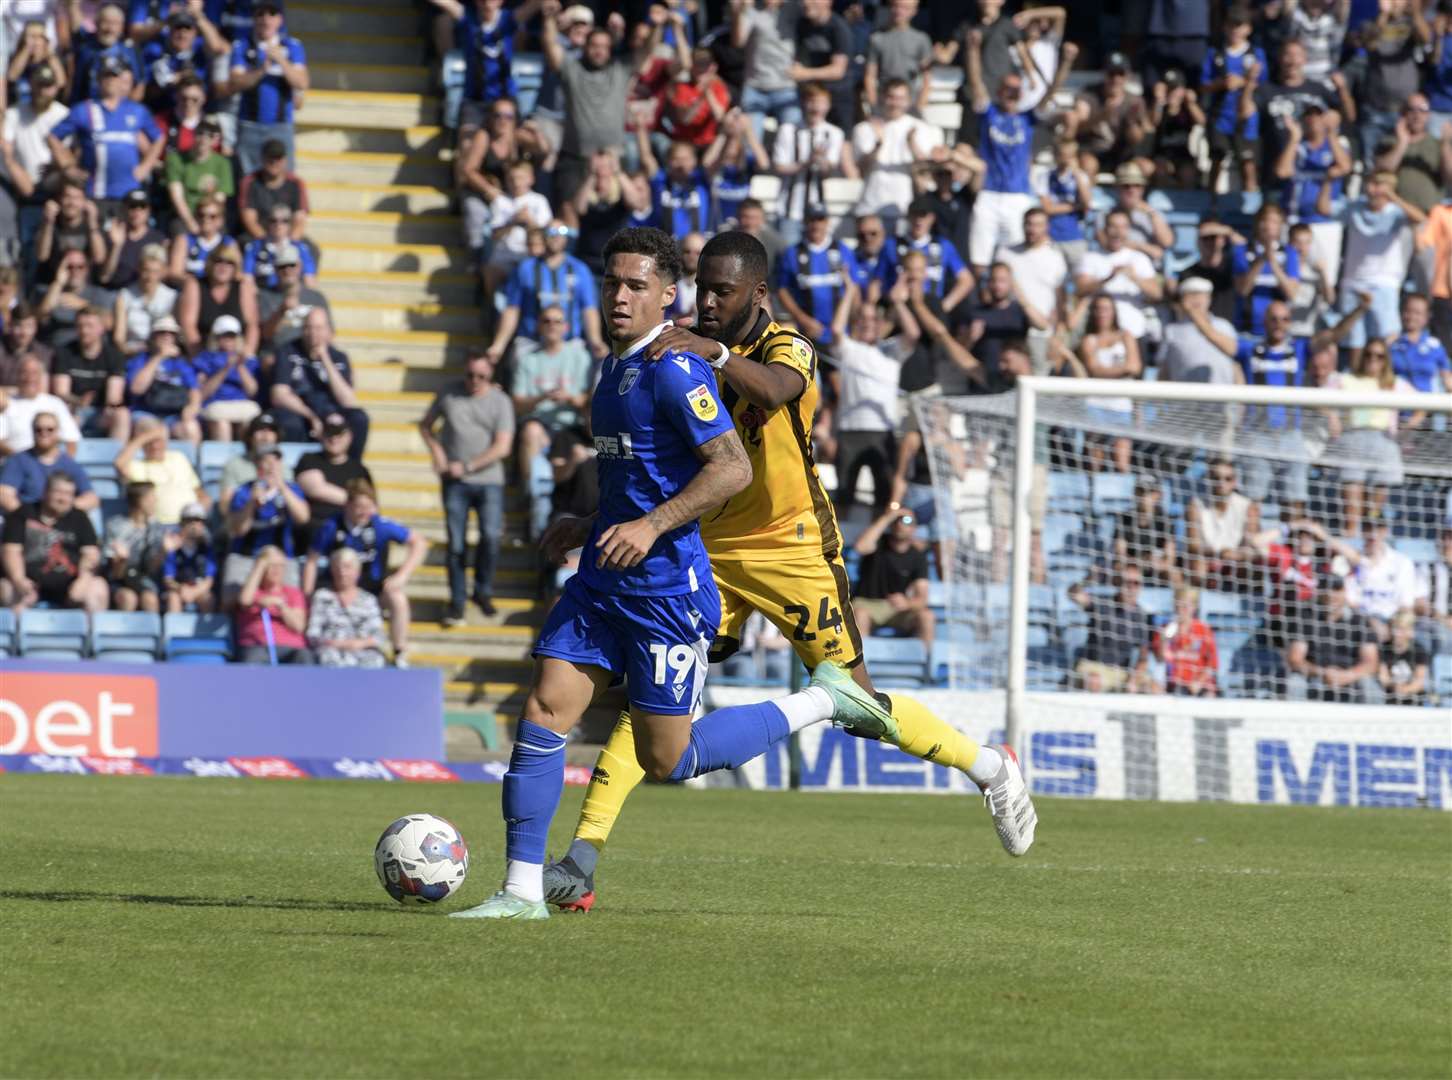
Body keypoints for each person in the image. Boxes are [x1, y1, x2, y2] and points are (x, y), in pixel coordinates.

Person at [537, 230, 1038, 916]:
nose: (709, 304)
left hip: (795, 549)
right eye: (703, 290)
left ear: (758, 295)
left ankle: (990, 768)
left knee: (860, 707)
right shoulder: (672, 350)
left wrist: (711, 351)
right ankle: (581, 860)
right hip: (707, 545)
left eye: (725, 293)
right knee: (661, 693)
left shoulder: (783, 343)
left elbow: (776, 391)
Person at [449, 226, 897, 922]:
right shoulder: (612, 366)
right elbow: (634, 479)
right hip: (603, 577)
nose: (620, 297)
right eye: (612, 283)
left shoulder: (677, 370)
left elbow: (732, 467)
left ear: (667, 295)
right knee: (542, 712)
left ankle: (824, 700)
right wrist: (588, 522)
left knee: (669, 760)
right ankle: (521, 892)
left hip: (665, 588)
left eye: (636, 286)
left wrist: (652, 527)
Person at [1233, 296, 1371, 514]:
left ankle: (1292, 543)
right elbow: (1217, 340)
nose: (1280, 324)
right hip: (1256, 435)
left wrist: (1359, 309)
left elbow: (1334, 335)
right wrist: (1193, 313)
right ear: (1265, 321)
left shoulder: (1299, 348)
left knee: (1296, 498)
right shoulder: (1249, 349)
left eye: (1285, 319)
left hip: (1290, 435)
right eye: (1274, 319)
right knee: (1253, 499)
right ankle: (1253, 546)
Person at [963, 34, 1075, 275]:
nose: (1012, 94)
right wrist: (973, 51)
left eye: (1017, 90)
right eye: (1008, 90)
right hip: (989, 193)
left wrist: (1065, 63)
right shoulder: (989, 113)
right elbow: (976, 83)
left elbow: (1051, 91)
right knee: (979, 259)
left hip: (1017, 195)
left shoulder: (1028, 118)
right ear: (1000, 91)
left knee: (1015, 258)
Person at [420, 349, 515, 623]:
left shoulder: (500, 401)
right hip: (454, 481)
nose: (475, 380)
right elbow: (426, 426)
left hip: (488, 480)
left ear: (490, 376)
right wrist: (437, 452)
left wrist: (469, 466)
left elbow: (503, 446)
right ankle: (457, 600)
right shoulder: (448, 393)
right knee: (456, 544)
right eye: (471, 375)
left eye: (482, 376)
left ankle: (482, 590)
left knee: (491, 537)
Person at [305, 480, 427, 667]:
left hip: (372, 588)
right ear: (348, 505)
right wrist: (306, 594)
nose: (365, 512)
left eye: (369, 507)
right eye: (360, 507)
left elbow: (419, 542)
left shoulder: (379, 525)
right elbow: (312, 560)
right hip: (339, 587)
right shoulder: (332, 526)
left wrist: (401, 576)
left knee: (398, 598)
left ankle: (399, 650)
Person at [539, 0, 638, 205]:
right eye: (594, 46)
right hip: (576, 157)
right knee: (569, 208)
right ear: (586, 46)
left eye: (604, 47)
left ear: (610, 49)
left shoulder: (619, 69)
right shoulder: (572, 67)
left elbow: (645, 53)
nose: (599, 51)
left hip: (615, 159)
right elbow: (551, 48)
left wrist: (656, 26)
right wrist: (549, 19)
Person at [828, 284, 917, 512]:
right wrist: (849, 293)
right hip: (850, 432)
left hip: (883, 433)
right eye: (862, 319)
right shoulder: (849, 350)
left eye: (873, 319)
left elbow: (913, 333)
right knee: (844, 495)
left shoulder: (892, 350)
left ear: (881, 324)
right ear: (856, 323)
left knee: (884, 496)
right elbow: (837, 330)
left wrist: (898, 303)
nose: (868, 323)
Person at [505, 312, 590, 542]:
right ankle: (531, 495)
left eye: (557, 321)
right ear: (539, 326)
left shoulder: (579, 356)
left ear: (566, 327)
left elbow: (588, 399)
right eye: (546, 321)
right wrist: (541, 398)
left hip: (571, 426)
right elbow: (517, 403)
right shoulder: (528, 359)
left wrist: (569, 398)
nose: (552, 326)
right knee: (531, 432)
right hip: (541, 425)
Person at [1335, 171, 1426, 370]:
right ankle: (1356, 382)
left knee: (1387, 337)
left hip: (1384, 283)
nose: (1373, 189)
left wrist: (1392, 196)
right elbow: (1324, 209)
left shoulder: (1395, 211)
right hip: (1353, 282)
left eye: (1378, 185)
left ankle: (1386, 378)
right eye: (1371, 184)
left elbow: (1420, 218)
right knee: (1354, 340)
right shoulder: (1355, 207)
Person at [48, 54, 164, 207]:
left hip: (128, 194)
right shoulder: (84, 110)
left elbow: (158, 138)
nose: (110, 81)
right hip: (95, 192)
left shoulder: (136, 111)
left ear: (121, 81)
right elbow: (53, 137)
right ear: (98, 80)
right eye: (105, 76)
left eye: (114, 76)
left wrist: (145, 167)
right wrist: (67, 167)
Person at [488, 219, 604, 363]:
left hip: (569, 344)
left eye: (561, 232)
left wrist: (595, 341)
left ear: (567, 238)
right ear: (543, 236)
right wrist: (499, 345)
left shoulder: (580, 269)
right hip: (531, 343)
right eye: (551, 232)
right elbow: (512, 309)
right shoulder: (525, 268)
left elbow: (589, 309)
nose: (556, 236)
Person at [1333, 341, 1415, 538]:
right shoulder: (1347, 379)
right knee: (1351, 515)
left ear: (1385, 360)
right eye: (1369, 354)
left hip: (1383, 442)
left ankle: (1371, 555)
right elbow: (1317, 399)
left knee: (1373, 514)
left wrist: (1407, 426)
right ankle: (1350, 555)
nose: (1373, 359)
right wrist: (1332, 417)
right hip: (1353, 441)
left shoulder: (1394, 384)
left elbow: (1424, 405)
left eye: (1379, 356)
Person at [0, 471, 107, 613]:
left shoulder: (79, 518)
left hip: (70, 585)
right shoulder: (22, 514)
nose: (64, 498)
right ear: (45, 492)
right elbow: (11, 551)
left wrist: (84, 580)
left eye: (69, 494)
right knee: (7, 589)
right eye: (59, 492)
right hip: (28, 582)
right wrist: (18, 579)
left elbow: (90, 553)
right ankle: (17, 634)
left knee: (98, 588)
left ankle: (90, 634)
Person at [851, 77, 943, 235]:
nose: (895, 103)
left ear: (909, 101)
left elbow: (927, 173)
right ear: (882, 98)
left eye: (900, 98)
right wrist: (878, 144)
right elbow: (861, 169)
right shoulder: (865, 128)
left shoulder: (922, 129)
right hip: (871, 207)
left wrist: (912, 144)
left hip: (904, 209)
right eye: (891, 97)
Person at [224, 0, 308, 174]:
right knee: (248, 180)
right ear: (254, 18)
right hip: (249, 125)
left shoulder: (292, 46)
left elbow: (302, 82)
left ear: (280, 20)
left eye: (271, 14)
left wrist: (282, 61)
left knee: (283, 179)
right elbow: (235, 82)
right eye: (260, 14)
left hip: (281, 125)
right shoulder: (242, 46)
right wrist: (262, 69)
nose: (266, 19)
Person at [269, 307, 367, 451]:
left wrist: (325, 358)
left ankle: (351, 467)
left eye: (319, 328)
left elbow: (348, 401)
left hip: (331, 411)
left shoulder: (339, 358)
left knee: (359, 419)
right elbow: (278, 394)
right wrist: (311, 416)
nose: (313, 333)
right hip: (300, 409)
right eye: (309, 327)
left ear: (328, 331)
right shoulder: (288, 351)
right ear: (303, 330)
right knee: (289, 423)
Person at [224, 443, 309, 599]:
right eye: (266, 460)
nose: (271, 465)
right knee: (230, 599)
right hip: (247, 556)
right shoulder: (244, 492)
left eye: (275, 460)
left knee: (293, 598)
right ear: (257, 464)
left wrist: (282, 488)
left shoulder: (292, 489)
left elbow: (303, 517)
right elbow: (238, 530)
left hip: (282, 558)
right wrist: (251, 504)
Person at [1073, 209, 1163, 352]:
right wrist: (1108, 278)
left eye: (1122, 227)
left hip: (1134, 331)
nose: (1117, 232)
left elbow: (1157, 294)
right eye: (1113, 226)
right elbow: (1080, 290)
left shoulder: (1139, 258)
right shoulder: (1090, 258)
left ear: (1128, 230)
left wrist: (1134, 278)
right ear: (1105, 229)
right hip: (1098, 335)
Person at [1285, 574, 1381, 703]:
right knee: (1294, 684)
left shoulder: (1360, 621)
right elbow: (1295, 660)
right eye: (1327, 589)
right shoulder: (1305, 618)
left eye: (1336, 589)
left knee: (1372, 690)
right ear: (1319, 592)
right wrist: (1323, 673)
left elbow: (1371, 663)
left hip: (1351, 677)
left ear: (1345, 592)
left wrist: (1347, 675)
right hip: (1314, 676)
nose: (1331, 595)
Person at [1200, 7, 1266, 195]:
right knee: (1217, 158)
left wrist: (1244, 82)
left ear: (1248, 29)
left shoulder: (1256, 54)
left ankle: (1251, 202)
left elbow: (1264, 84)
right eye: (1231, 25)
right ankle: (1212, 204)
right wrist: (1221, 83)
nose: (1235, 30)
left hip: (1246, 117)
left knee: (1247, 161)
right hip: (1220, 114)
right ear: (1224, 27)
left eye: (1240, 25)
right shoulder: (1215, 54)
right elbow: (1203, 85)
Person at [851, 504, 935, 648]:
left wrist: (907, 603)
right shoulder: (878, 543)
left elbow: (922, 597)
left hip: (898, 609)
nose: (902, 524)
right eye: (898, 520)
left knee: (927, 617)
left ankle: (927, 665)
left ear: (914, 528)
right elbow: (861, 547)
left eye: (908, 521)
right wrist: (888, 517)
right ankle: (859, 667)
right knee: (860, 614)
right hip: (867, 604)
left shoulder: (918, 557)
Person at [1076, 293, 1142, 473]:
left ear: (1113, 312)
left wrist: (1107, 372)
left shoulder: (1126, 336)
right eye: (1098, 309)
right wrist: (1122, 369)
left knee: (1122, 462)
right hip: (1096, 405)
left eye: (1106, 309)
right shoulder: (1089, 340)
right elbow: (1094, 370)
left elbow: (1135, 367)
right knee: (1095, 462)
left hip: (1122, 406)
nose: (1102, 313)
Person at [774, 203, 858, 346]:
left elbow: (854, 290)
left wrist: (854, 323)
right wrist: (802, 319)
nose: (816, 225)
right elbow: (782, 289)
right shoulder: (792, 253)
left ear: (827, 222)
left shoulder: (843, 251)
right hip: (806, 334)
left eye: (820, 220)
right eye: (812, 220)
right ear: (805, 222)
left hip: (840, 333)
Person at [1068, 565, 1155, 693]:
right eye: (1127, 582)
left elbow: (1143, 657)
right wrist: (1087, 580)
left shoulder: (1141, 616)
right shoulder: (1102, 605)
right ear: (1118, 583)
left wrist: (1134, 679)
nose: (1131, 587)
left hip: (1121, 672)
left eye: (1136, 583)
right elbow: (1073, 594)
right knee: (1095, 681)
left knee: (1154, 688)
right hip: (1093, 667)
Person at [294, 414, 373, 546]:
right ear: (322, 435)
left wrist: (356, 504)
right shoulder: (309, 459)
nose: (334, 439)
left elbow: (371, 504)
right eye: (329, 433)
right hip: (314, 529)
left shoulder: (359, 469)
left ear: (349, 436)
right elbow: (315, 488)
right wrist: (354, 501)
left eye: (339, 434)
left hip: (349, 530)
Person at [1186, 457, 1261, 591]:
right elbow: (1193, 546)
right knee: (1197, 566)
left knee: (1251, 564)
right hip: (1208, 558)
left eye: (1228, 478)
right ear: (1209, 479)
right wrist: (1221, 553)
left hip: (1237, 560)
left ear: (1234, 482)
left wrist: (1236, 555)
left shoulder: (1248, 507)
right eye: (1216, 478)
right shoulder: (1195, 506)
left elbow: (1251, 544)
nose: (1221, 483)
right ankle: (1199, 605)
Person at [125, 315, 202, 445]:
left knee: (191, 428)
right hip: (146, 413)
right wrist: (159, 356)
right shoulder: (141, 360)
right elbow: (136, 389)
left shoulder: (181, 363)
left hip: (174, 414)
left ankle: (191, 465)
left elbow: (194, 391)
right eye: (162, 332)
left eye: (171, 333)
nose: (166, 336)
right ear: (153, 336)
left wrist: (192, 409)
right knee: (159, 432)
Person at [306, 546, 388, 668]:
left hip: (362, 650)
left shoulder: (369, 600)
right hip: (331, 650)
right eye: (338, 567)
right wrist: (337, 644)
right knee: (329, 660)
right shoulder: (322, 596)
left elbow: (378, 635)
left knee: (375, 661)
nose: (342, 572)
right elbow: (313, 633)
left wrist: (358, 644)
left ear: (357, 572)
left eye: (347, 567)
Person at [0, 410, 96, 513]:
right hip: (27, 519)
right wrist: (27, 517)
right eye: (38, 429)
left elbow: (91, 498)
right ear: (32, 431)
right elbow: (5, 494)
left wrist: (62, 509)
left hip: (61, 522)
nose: (44, 433)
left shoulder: (69, 464)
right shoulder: (18, 460)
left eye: (50, 429)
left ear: (58, 432)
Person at [235, 545, 312, 664]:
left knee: (304, 657)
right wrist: (260, 565)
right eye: (271, 565)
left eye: (280, 566)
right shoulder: (252, 592)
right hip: (257, 646)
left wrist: (281, 606)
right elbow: (244, 601)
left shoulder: (293, 593)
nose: (276, 570)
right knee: (252, 661)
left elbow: (299, 626)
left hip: (291, 647)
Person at [897, 197, 975, 313]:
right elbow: (878, 281)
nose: (919, 220)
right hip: (902, 307)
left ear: (932, 218)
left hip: (932, 306)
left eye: (923, 215)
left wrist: (945, 306)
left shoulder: (943, 245)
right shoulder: (892, 244)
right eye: (915, 215)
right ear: (908, 216)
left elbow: (966, 280)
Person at [178, 243, 257, 356]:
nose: (223, 267)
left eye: (229, 263)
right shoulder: (195, 284)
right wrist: (201, 360)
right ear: (210, 263)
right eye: (218, 261)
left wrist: (248, 356)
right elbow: (188, 325)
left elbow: (252, 325)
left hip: (238, 355)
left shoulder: (243, 286)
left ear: (235, 267)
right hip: (204, 352)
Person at [192, 315, 261, 442]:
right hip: (216, 403)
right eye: (224, 336)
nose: (229, 340)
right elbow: (202, 393)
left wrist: (240, 366)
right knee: (222, 423)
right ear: (216, 337)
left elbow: (252, 391)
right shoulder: (205, 358)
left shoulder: (247, 360)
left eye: (232, 336)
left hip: (241, 404)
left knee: (249, 422)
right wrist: (225, 369)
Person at [104, 479, 167, 612]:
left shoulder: (156, 528)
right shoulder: (116, 526)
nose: (155, 501)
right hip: (120, 580)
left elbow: (152, 569)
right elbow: (114, 574)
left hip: (144, 579)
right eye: (152, 497)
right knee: (128, 598)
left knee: (150, 599)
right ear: (140, 501)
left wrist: (164, 551)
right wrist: (122, 560)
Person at [237, 138, 311, 249]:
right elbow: (250, 220)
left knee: (312, 249)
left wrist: (289, 244)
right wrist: (268, 243)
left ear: (285, 160)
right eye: (270, 158)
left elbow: (299, 220)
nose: (274, 162)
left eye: (278, 158)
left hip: (288, 238)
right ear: (262, 158)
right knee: (241, 245)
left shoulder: (296, 184)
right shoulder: (250, 183)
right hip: (258, 237)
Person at [791, 0, 854, 131]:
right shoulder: (802, 25)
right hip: (813, 94)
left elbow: (838, 70)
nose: (807, 3)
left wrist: (805, 73)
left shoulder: (839, 28)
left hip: (837, 96)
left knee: (842, 141)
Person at [864, 0, 934, 116]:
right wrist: (874, 107)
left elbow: (927, 78)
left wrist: (919, 107)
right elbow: (870, 76)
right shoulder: (877, 38)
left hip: (910, 104)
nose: (899, 11)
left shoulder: (921, 39)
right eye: (895, 6)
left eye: (905, 8)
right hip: (885, 102)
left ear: (914, 11)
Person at [0, 357, 81, 456]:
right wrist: (22, 461)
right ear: (17, 375)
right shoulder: (6, 404)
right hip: (13, 465)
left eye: (34, 373)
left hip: (50, 467)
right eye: (24, 372)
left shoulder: (55, 403)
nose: (29, 378)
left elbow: (71, 441)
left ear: (41, 376)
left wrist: (63, 466)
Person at [38, 249, 111, 352]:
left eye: (80, 267)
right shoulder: (51, 292)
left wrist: (84, 306)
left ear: (87, 269)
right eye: (69, 267)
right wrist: (58, 282)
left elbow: (110, 323)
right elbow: (41, 315)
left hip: (91, 353)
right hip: (58, 351)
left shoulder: (98, 294)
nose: (75, 271)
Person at [1113, 476, 1179, 588]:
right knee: (1118, 570)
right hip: (1132, 566)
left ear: (1158, 495)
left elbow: (1170, 558)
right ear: (1135, 493)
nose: (1144, 496)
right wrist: (1141, 561)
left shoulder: (1165, 521)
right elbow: (1120, 554)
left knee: (1174, 574)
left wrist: (1158, 564)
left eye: (1149, 492)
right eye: (1141, 491)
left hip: (1156, 566)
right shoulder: (1124, 518)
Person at [1155, 586, 1219, 697]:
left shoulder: (1203, 630)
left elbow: (1212, 664)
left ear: (1194, 607)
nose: (1184, 607)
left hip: (1199, 685)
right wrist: (1163, 640)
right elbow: (1160, 659)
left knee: (1209, 695)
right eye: (1181, 602)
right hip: (1174, 685)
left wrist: (1199, 682)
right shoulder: (1166, 629)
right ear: (1175, 605)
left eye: (1189, 603)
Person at [114, 243, 177, 353]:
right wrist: (127, 351)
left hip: (162, 351)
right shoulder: (125, 295)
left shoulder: (171, 296)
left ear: (163, 271)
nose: (150, 277)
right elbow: (119, 338)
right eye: (146, 270)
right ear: (139, 269)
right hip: (132, 351)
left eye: (155, 272)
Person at [100, 187, 166, 291]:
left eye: (142, 206)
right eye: (132, 206)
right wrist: (116, 246)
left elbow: (161, 276)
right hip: (115, 291)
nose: (137, 210)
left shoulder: (159, 239)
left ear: (149, 211)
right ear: (124, 209)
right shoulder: (113, 234)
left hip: (143, 294)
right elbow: (105, 277)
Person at [241, 203, 315, 291]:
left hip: (290, 295)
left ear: (290, 224)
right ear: (267, 223)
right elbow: (247, 278)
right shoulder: (254, 247)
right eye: (273, 220)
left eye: (284, 221)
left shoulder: (300, 249)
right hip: (262, 296)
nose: (278, 225)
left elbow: (309, 280)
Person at [162, 501, 216, 614]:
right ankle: (173, 630)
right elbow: (168, 579)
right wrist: (181, 589)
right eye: (190, 521)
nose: (195, 525)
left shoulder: (206, 549)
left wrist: (194, 592)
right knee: (173, 598)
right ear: (181, 523)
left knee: (208, 599)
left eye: (198, 521)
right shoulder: (173, 548)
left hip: (199, 588)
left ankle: (206, 632)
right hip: (178, 589)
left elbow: (209, 579)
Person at [169, 194, 235, 282]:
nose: (206, 219)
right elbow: (175, 273)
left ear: (221, 220)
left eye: (212, 216)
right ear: (196, 217)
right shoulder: (184, 240)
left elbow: (237, 274)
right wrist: (198, 285)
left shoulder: (229, 243)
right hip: (187, 290)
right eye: (201, 215)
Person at [1376, 608, 1430, 706]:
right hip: (1389, 695)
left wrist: (1405, 689)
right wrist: (1394, 686)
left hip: (1413, 698)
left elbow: (1419, 681)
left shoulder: (1419, 650)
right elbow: (1383, 677)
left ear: (1409, 631)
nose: (1396, 633)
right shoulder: (1383, 648)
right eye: (1395, 628)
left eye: (1401, 629)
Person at [0, 304, 53, 389]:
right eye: (18, 326)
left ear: (35, 327)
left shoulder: (43, 353)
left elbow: (42, 390)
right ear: (9, 326)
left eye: (29, 326)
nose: (24, 333)